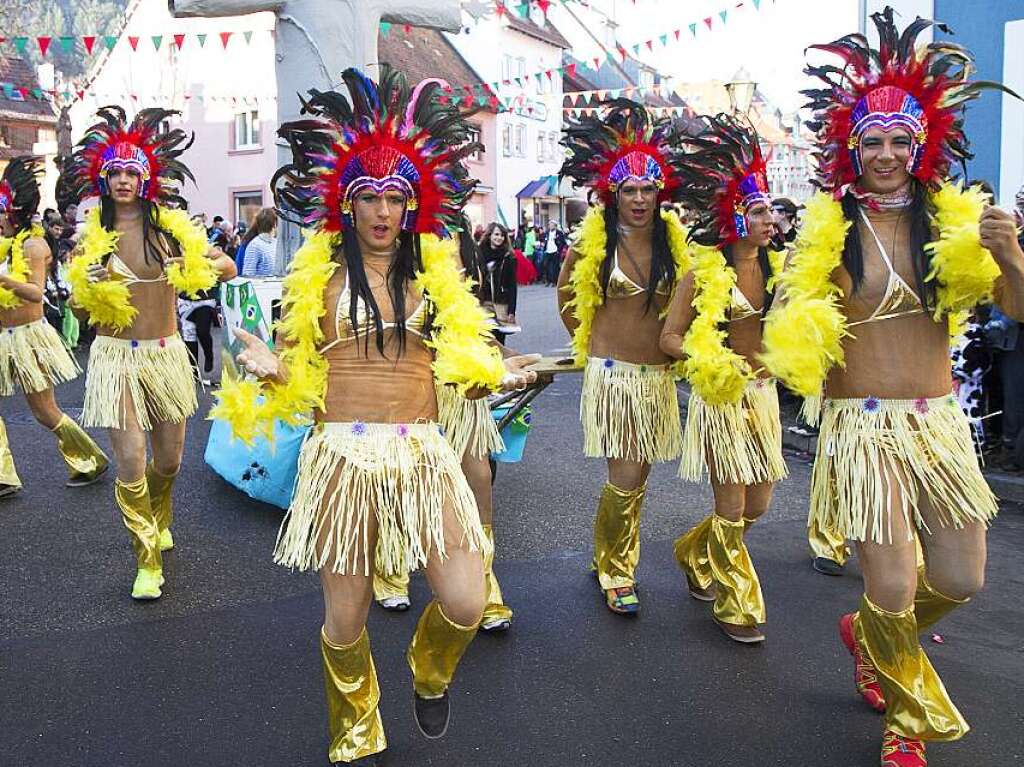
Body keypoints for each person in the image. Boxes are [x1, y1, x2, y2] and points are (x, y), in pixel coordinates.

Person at [214, 67, 538, 765]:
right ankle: (358, 720)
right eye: (370, 197)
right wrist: (274, 372)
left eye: (397, 196)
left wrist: (496, 374)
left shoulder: (435, 284)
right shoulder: (321, 283)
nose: (384, 210)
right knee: (346, 616)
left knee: (465, 600)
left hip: (422, 453)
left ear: (414, 206)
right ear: (347, 205)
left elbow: (463, 374)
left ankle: (427, 666)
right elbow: (299, 383)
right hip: (342, 457)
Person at [760, 9, 1024, 764]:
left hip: (938, 423)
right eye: (870, 140)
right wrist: (796, 311)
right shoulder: (828, 231)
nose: (884, 153)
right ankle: (906, 725)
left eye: (899, 139)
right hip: (862, 425)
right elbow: (792, 340)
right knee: (897, 582)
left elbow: (1017, 308)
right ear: (850, 148)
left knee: (962, 575)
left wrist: (1009, 256)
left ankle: (866, 630)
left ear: (922, 143)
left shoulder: (956, 223)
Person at [63, 105, 237, 600]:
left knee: (170, 463)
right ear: (104, 178)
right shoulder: (92, 239)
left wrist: (194, 266)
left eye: (130, 172)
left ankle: (159, 515)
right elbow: (77, 302)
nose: (122, 180)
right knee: (132, 461)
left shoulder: (169, 230)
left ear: (145, 178)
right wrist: (87, 285)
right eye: (113, 172)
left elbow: (223, 267)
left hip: (165, 356)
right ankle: (146, 556)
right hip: (115, 357)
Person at [557, 98, 692, 615]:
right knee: (626, 473)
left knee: (642, 475)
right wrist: (588, 343)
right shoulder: (595, 240)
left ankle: (610, 551)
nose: (638, 198)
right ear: (612, 194)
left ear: (660, 192)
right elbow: (569, 294)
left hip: (657, 377)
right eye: (629, 189)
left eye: (647, 188)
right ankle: (616, 570)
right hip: (613, 377)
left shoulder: (675, 242)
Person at [659, 115, 787, 644]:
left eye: (770, 211)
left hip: (765, 399)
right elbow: (669, 338)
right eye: (759, 210)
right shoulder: (703, 272)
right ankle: (738, 605)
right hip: (721, 400)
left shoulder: (782, 270)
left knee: (758, 505)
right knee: (731, 506)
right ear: (736, 217)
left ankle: (693, 551)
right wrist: (710, 363)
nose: (770, 220)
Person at [0, 157, 109, 500]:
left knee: (45, 411)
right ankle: (3, 475)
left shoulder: (33, 246)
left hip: (29, 337)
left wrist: (3, 279)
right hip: (3, 337)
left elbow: (35, 292)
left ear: (14, 211)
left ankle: (91, 459)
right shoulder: (5, 246)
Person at [478, 222, 518, 326]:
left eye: (502, 235)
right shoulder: (479, 253)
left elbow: (512, 285)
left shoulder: (509, 257)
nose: (499, 238)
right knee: (486, 336)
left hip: (501, 303)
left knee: (500, 337)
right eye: (496, 234)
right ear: (489, 235)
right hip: (483, 302)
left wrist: (511, 311)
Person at [240, 207, 277, 277]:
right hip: (261, 287)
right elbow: (248, 274)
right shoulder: (254, 246)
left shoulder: (276, 243)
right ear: (274, 224)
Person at [540, 219, 566, 286]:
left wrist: (559, 250)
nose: (550, 226)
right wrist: (544, 246)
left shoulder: (559, 233)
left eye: (552, 225)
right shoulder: (547, 233)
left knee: (555, 267)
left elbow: (563, 242)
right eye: (549, 225)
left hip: (555, 251)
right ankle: (548, 280)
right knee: (546, 266)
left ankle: (555, 281)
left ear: (555, 226)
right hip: (548, 251)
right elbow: (545, 240)